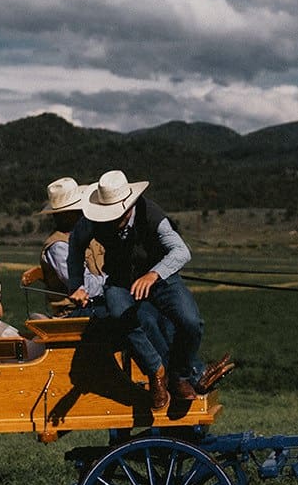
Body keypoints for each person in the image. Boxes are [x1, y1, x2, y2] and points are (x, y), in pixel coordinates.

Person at [66, 170, 233, 410]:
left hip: (161, 276)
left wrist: (154, 274)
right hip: (121, 280)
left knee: (191, 322)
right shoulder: (91, 221)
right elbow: (75, 247)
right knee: (120, 313)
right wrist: (76, 285)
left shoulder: (152, 214)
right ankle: (156, 371)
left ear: (129, 204)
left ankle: (181, 376)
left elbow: (181, 251)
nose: (111, 219)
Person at [37, 176, 106, 315]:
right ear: (66, 215)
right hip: (73, 310)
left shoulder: (87, 235)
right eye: (79, 210)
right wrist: (117, 282)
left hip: (99, 301)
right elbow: (85, 285)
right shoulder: (58, 247)